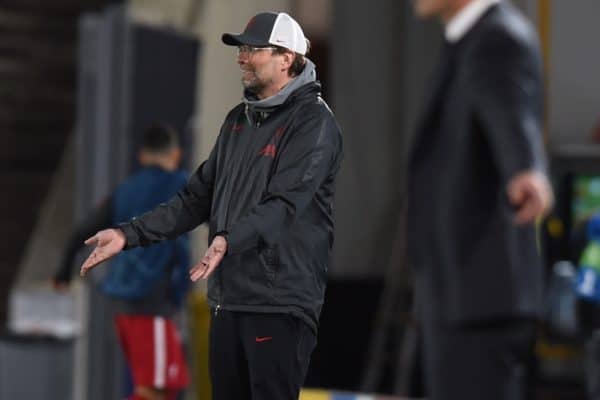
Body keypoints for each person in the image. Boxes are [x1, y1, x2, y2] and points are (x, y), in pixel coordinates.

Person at [77, 11, 343, 400]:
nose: (241, 57)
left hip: (278, 302)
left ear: (286, 58)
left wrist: (227, 240)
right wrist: (126, 234)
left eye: (253, 49)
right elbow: (194, 199)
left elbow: (284, 205)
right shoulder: (238, 120)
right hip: (228, 298)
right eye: (241, 49)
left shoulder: (314, 123)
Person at [408, 1, 553, 399]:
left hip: (481, 296)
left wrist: (525, 171)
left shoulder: (499, 37)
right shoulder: (465, 41)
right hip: (459, 294)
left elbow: (512, 115)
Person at [54, 123, 191, 400]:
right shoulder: (179, 186)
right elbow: (181, 247)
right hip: (153, 301)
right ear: (176, 154)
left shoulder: (125, 190)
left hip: (121, 304)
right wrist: (180, 293)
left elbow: (84, 231)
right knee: (157, 389)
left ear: (141, 156)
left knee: (154, 385)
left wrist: (63, 273)